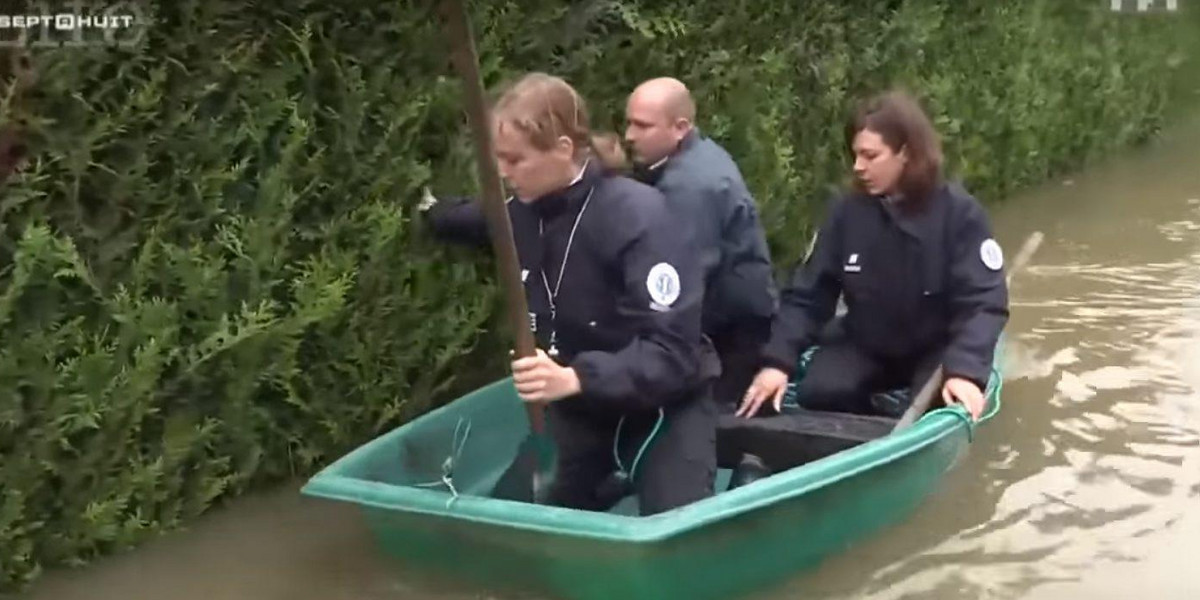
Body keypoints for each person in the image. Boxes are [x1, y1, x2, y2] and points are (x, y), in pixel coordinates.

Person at [421, 72, 720, 515]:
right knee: (513, 519)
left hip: (661, 409)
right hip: (579, 410)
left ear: (563, 150)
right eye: (497, 159)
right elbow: (479, 218)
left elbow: (672, 351)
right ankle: (601, 487)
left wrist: (575, 378)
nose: (503, 173)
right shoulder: (520, 211)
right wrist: (428, 210)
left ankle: (734, 477)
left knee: (679, 530)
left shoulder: (641, 217)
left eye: (515, 160)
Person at [737, 90, 1009, 421]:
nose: (858, 167)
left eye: (870, 156)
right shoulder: (846, 212)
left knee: (940, 407)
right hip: (868, 341)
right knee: (819, 392)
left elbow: (984, 302)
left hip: (936, 348)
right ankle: (869, 428)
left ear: (905, 153)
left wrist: (965, 370)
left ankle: (916, 423)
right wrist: (777, 362)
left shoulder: (960, 214)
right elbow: (809, 295)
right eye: (855, 155)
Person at [623, 77, 778, 412]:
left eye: (642, 126)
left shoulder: (689, 188)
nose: (629, 136)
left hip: (732, 340)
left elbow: (681, 283)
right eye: (629, 123)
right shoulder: (699, 153)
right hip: (737, 318)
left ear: (680, 128)